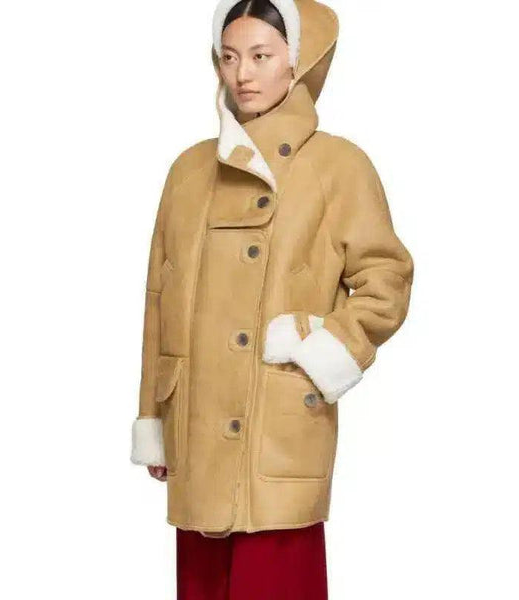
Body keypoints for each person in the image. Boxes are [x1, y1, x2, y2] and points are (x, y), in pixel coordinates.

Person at [130, 0, 414, 597]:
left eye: (261, 56)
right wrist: (155, 416)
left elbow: (386, 278)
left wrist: (318, 347)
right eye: (230, 57)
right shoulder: (187, 172)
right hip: (196, 432)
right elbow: (158, 303)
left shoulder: (337, 165)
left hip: (279, 421)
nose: (243, 74)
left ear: (296, 60)